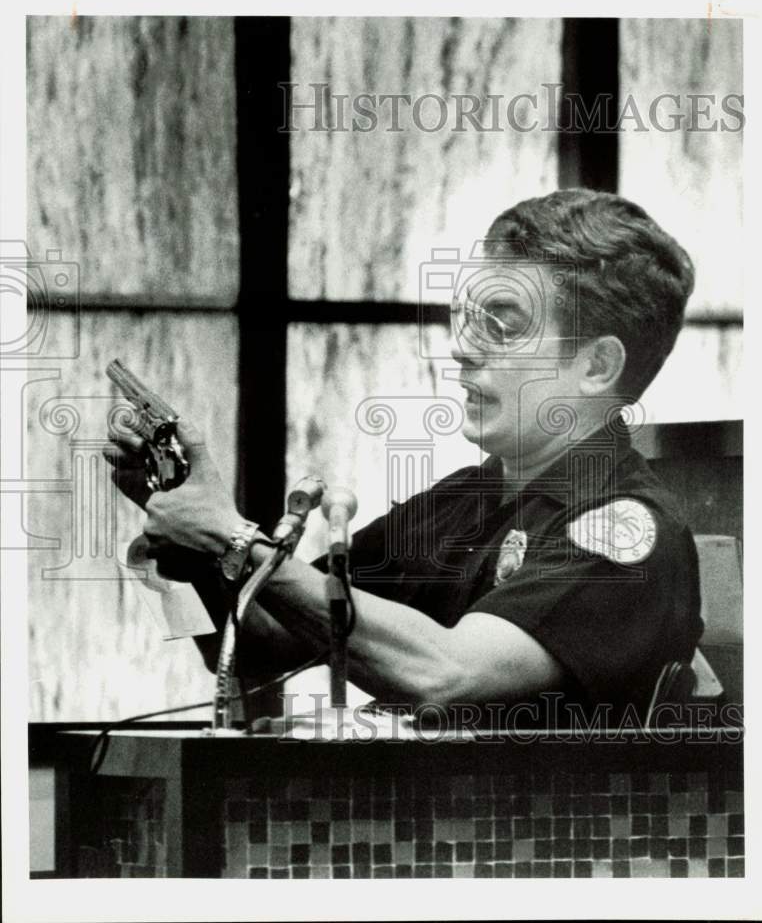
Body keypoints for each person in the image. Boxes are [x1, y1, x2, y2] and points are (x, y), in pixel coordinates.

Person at [104, 189, 703, 728]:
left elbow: (445, 678)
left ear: (596, 367)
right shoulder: (461, 501)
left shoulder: (628, 531)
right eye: (467, 318)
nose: (462, 348)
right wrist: (182, 540)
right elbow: (260, 648)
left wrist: (232, 538)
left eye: (502, 324)